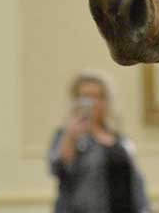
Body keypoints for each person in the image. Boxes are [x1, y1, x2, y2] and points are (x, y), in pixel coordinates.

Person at [48, 71, 150, 213]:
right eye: (86, 97)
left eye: (99, 97)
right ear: (75, 101)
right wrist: (71, 135)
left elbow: (135, 182)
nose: (93, 103)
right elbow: (58, 168)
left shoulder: (119, 138)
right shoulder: (66, 135)